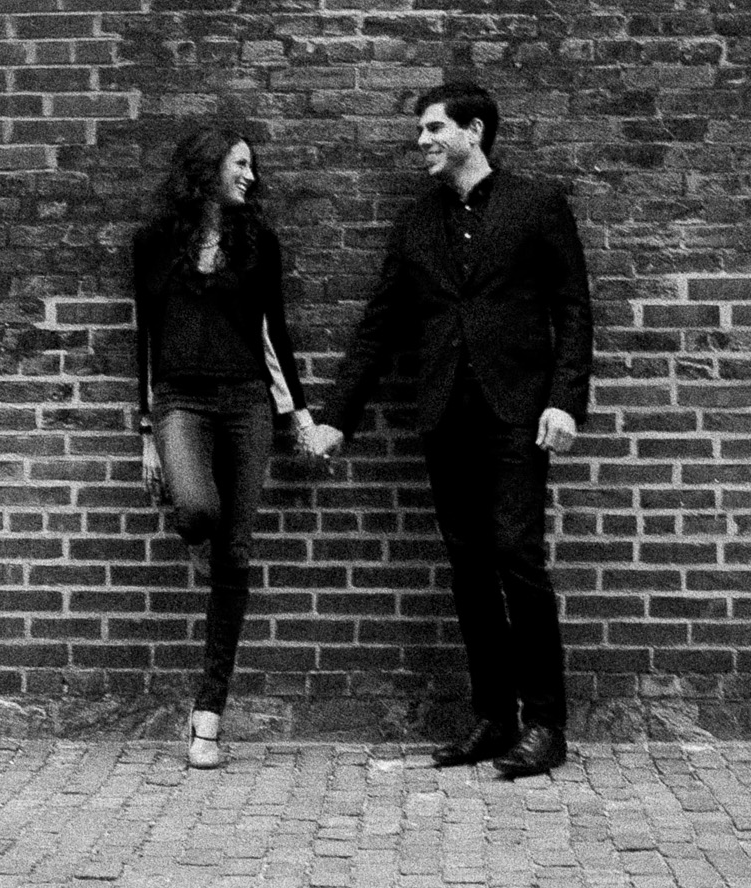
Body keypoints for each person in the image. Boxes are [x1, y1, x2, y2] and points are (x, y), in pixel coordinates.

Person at [308, 82, 592, 780]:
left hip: (518, 415)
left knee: (517, 557)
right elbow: (379, 327)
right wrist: (337, 416)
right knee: (468, 567)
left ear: (475, 129)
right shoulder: (415, 223)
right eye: (421, 130)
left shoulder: (536, 205)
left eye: (435, 128)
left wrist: (565, 401)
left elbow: (574, 309)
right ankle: (494, 717)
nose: (423, 141)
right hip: (445, 417)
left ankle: (546, 724)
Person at [132, 125, 329, 770]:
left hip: (247, 404)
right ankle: (196, 520)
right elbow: (146, 343)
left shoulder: (258, 244)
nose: (250, 175)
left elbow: (277, 334)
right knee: (197, 513)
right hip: (180, 402)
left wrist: (298, 417)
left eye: (253, 166)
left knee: (235, 555)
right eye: (240, 164)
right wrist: (147, 437)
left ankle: (208, 713)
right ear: (207, 166)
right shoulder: (155, 243)